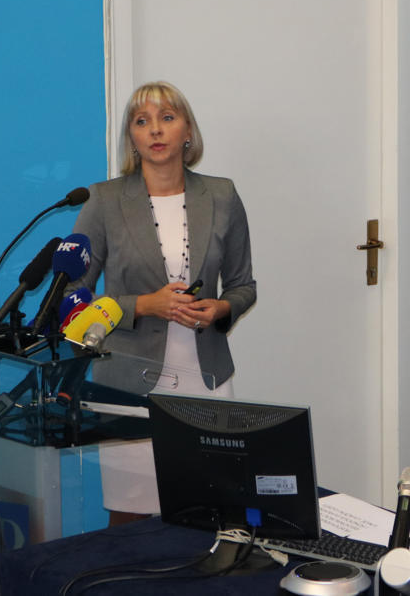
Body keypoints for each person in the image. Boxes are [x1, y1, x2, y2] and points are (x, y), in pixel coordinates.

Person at [68, 80, 256, 525]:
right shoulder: (103, 200)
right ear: (131, 137)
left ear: (187, 131)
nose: (155, 130)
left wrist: (221, 309)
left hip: (206, 380)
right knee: (130, 520)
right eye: (142, 121)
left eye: (167, 118)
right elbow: (73, 298)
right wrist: (142, 305)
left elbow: (243, 285)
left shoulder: (222, 195)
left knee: (212, 515)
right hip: (127, 383)